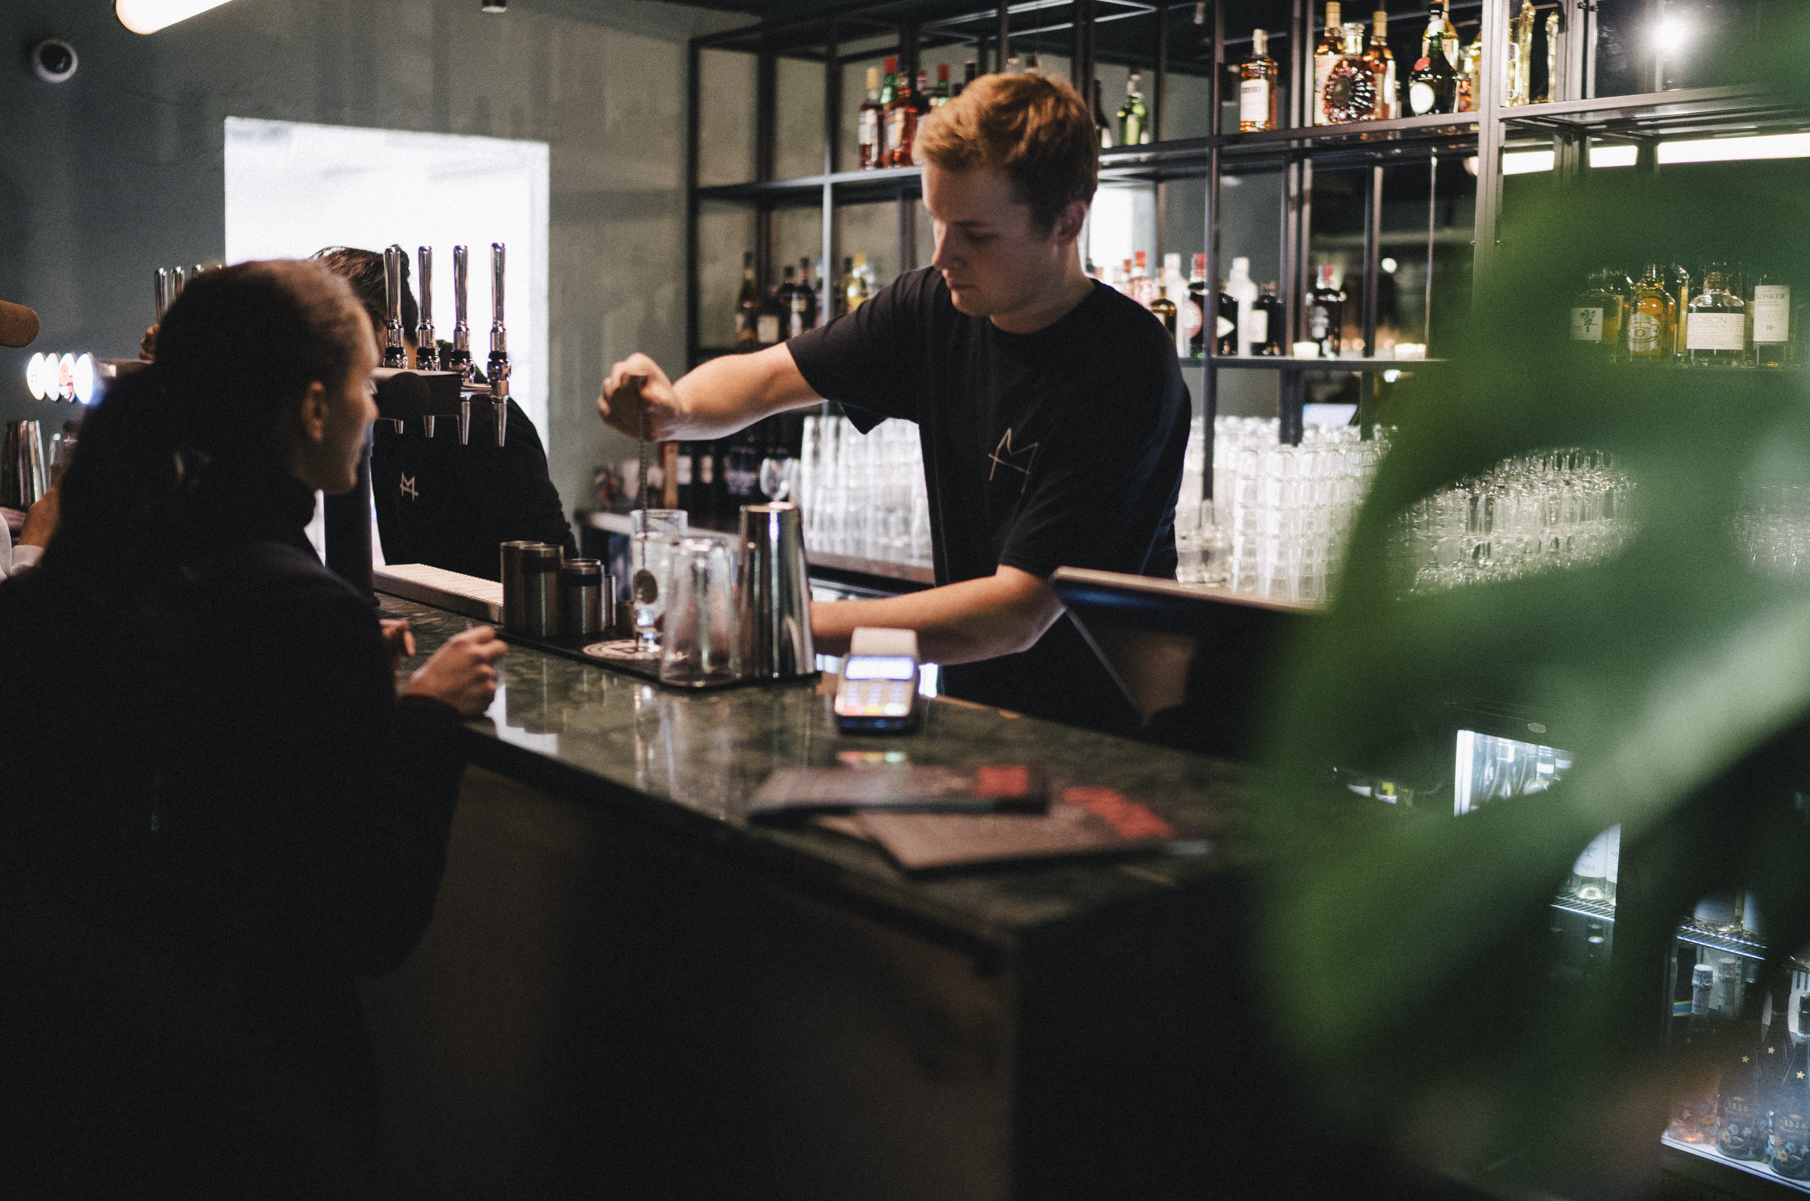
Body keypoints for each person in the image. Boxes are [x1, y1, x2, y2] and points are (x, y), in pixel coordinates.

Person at [0, 261, 506, 1196]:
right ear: (313, 410)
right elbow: (370, 920)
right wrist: (428, 713)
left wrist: (355, 691)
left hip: (66, 1097)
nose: (375, 411)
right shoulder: (307, 616)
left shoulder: (71, 586)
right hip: (256, 1117)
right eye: (365, 387)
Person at [600, 74, 1189, 734]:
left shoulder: (1124, 363)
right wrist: (674, 407)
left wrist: (779, 621)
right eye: (937, 223)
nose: (943, 255)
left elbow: (1016, 612)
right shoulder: (931, 308)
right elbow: (768, 380)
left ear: (1067, 222)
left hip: (1106, 744)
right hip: (975, 719)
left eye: (975, 234)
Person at [313, 246, 576, 580]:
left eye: (334, 341)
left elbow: (558, 573)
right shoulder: (383, 414)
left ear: (379, 329)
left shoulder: (481, 423)